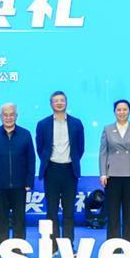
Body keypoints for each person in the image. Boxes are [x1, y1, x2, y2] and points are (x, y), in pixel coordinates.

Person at [35, 90, 85, 244]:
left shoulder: (76, 123)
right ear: (51, 104)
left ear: (66, 102)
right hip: (51, 170)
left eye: (62, 100)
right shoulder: (43, 124)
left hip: (70, 170)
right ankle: (53, 245)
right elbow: (40, 148)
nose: (59, 103)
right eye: (56, 100)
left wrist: (72, 161)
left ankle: (68, 244)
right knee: (51, 210)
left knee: (69, 210)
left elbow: (80, 148)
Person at [0, 103, 36, 247]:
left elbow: (31, 159)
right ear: (0, 117)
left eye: (11, 115)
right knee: (1, 218)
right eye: (5, 115)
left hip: (20, 184)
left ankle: (18, 248)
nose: (8, 118)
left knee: (19, 218)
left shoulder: (25, 134)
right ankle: (3, 247)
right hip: (0, 184)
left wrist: (29, 181)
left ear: (16, 116)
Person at [98, 99, 130, 246]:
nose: (122, 112)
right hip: (112, 175)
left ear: (129, 111)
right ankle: (113, 246)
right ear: (114, 112)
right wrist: (103, 173)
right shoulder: (107, 129)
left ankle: (129, 246)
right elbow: (103, 153)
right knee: (113, 212)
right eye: (119, 110)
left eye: (124, 109)